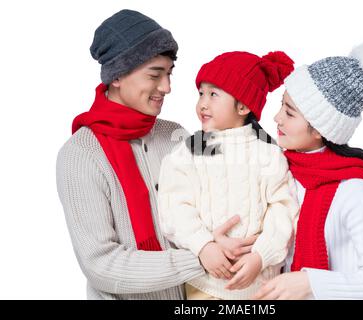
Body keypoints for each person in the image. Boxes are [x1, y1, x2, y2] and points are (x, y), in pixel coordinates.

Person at [56, 9, 238, 300]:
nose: (166, 87)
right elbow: (101, 265)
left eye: (168, 74)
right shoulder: (80, 155)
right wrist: (201, 257)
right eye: (155, 75)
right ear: (116, 76)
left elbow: (229, 185)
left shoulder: (177, 134)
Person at [254, 39, 363, 299]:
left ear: (321, 130)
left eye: (290, 113)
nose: (277, 118)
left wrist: (309, 282)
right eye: (281, 106)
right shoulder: (278, 169)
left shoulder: (355, 190)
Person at [157, 51, 300, 299]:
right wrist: (203, 245)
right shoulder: (190, 150)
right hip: (204, 286)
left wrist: (261, 256)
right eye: (201, 93)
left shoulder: (268, 154)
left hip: (261, 286)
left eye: (213, 94)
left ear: (243, 105)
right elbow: (173, 206)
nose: (203, 103)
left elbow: (284, 211)